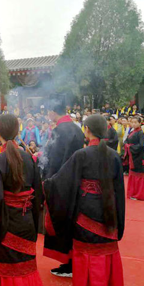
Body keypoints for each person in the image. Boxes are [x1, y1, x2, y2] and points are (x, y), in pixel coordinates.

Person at [44, 115, 125, 286]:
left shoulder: (81, 155)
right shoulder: (114, 156)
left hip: (85, 216)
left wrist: (46, 184)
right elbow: (119, 191)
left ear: (87, 130)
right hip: (109, 215)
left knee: (87, 259)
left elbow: (61, 183)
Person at [0, 114, 43, 286]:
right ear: (17, 132)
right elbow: (39, 193)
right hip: (27, 222)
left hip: (6, 223)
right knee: (27, 267)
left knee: (7, 269)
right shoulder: (29, 158)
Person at [39, 97, 85, 277]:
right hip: (76, 181)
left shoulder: (59, 130)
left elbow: (55, 160)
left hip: (61, 183)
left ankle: (69, 264)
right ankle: (72, 261)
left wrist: (48, 179)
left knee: (63, 222)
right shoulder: (76, 128)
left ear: (52, 112)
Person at [123, 116, 144, 200]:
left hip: (138, 157)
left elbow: (142, 145)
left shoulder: (140, 133)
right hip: (132, 157)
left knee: (139, 175)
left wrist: (130, 147)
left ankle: (139, 195)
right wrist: (127, 145)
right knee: (133, 174)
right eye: (132, 122)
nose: (134, 124)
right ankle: (133, 193)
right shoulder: (132, 131)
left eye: (136, 122)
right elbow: (126, 141)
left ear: (140, 123)